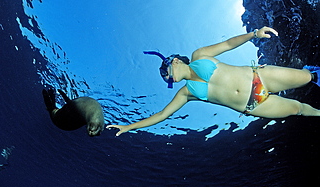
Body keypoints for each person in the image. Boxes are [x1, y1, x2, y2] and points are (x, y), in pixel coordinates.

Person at [107, 27, 320, 136]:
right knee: (297, 109)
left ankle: (310, 73)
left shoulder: (199, 55)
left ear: (174, 60)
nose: (167, 77)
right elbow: (163, 115)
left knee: (309, 78)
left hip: (258, 76)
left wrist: (254, 34)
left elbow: (227, 44)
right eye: (165, 78)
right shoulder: (185, 93)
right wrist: (129, 127)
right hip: (253, 104)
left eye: (166, 71)